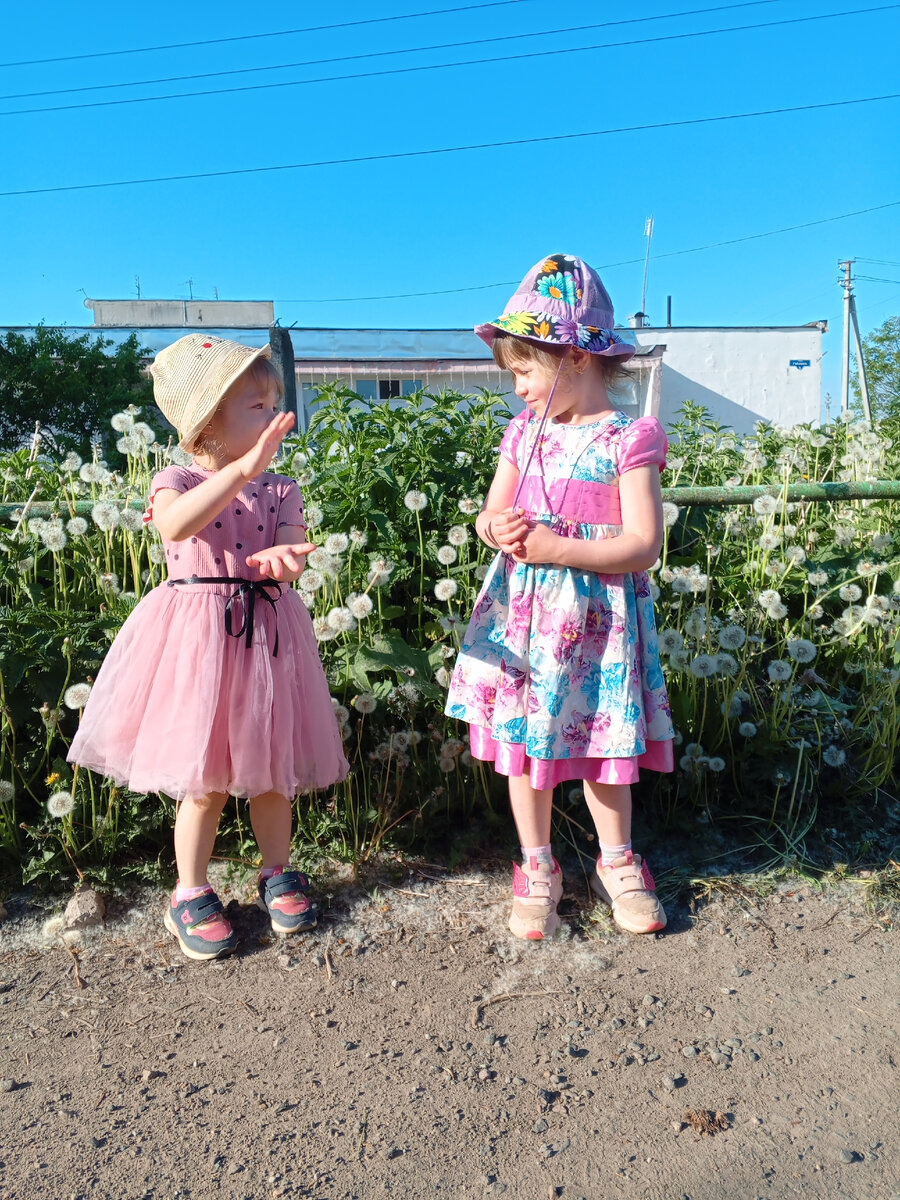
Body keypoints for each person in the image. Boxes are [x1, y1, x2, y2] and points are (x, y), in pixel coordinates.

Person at [68, 334, 348, 960]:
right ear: (208, 423)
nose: (277, 416)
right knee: (205, 777)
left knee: (273, 769)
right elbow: (175, 524)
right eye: (258, 406)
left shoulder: (283, 489)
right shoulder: (175, 479)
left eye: (275, 401)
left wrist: (281, 559)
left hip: (266, 637)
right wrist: (240, 473)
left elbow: (292, 553)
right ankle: (189, 892)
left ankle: (277, 871)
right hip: (198, 639)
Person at [446, 253, 674, 940]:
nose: (516, 387)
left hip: (599, 624)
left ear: (574, 357)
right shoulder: (522, 435)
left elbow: (642, 544)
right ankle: (537, 863)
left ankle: (617, 862)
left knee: (606, 742)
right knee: (528, 745)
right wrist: (499, 527)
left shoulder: (628, 438)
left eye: (524, 369)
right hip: (527, 621)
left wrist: (557, 549)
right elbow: (489, 516)